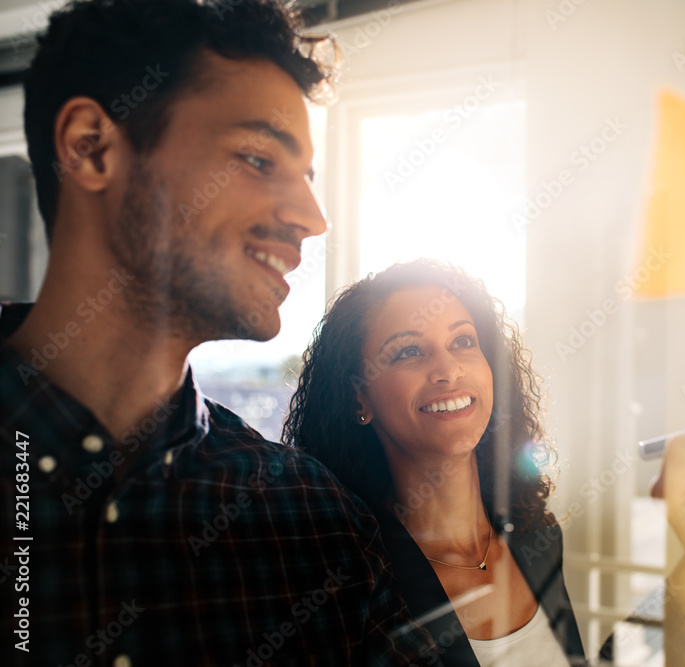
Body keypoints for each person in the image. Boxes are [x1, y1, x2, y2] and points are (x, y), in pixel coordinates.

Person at [0, 1, 440, 665]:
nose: (312, 219)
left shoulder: (316, 524)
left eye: (307, 177)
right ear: (91, 146)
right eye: (259, 158)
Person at [284, 259, 685, 666]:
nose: (447, 368)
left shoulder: (535, 536)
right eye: (407, 352)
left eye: (463, 342)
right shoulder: (351, 577)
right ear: (359, 400)